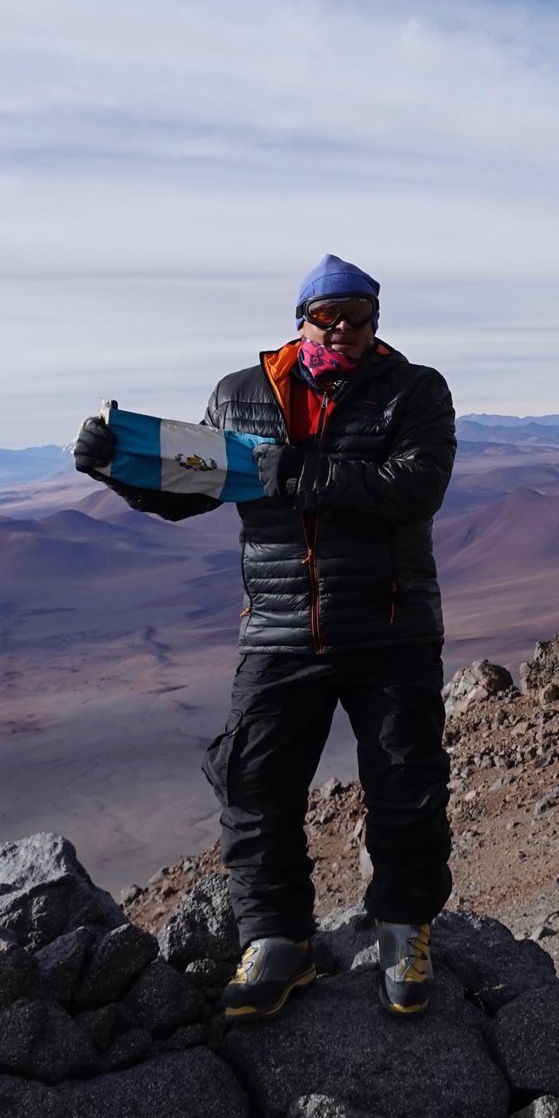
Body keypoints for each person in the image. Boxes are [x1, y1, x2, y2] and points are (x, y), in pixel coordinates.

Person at [74, 254, 456, 1020]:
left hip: (389, 625)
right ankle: (277, 940)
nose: (344, 329)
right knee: (253, 787)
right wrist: (119, 471)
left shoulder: (414, 389)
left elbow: (412, 490)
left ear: (376, 321)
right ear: (301, 318)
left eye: (359, 315)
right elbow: (196, 489)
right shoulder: (239, 395)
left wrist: (293, 472)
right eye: (328, 316)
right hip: (280, 629)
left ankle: (401, 929)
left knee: (405, 787)